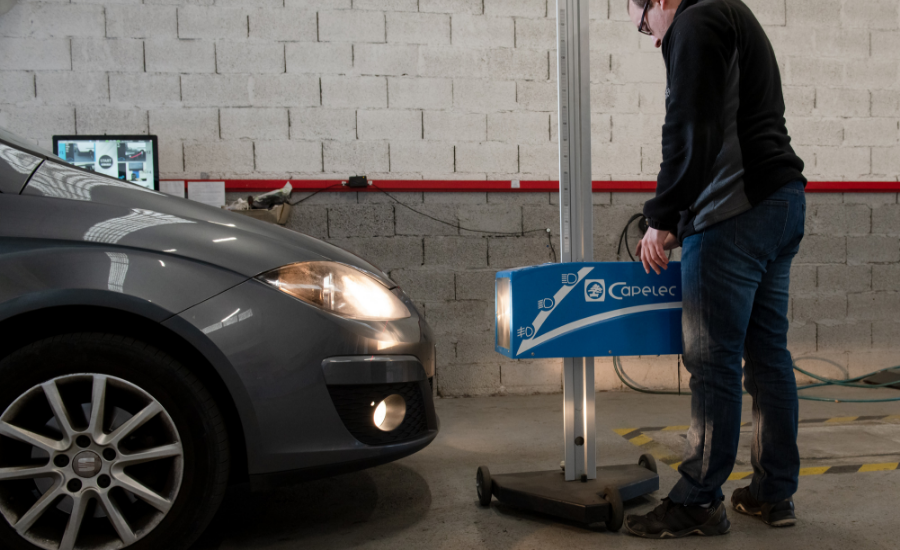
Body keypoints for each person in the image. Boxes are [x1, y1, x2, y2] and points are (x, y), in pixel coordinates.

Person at [624, 0, 808, 539]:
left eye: (644, 24)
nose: (652, 37)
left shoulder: (695, 21)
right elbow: (724, 130)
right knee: (768, 354)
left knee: (712, 361)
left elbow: (688, 129)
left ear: (659, 2)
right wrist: (680, 218)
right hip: (782, 203)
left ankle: (698, 500)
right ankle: (774, 494)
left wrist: (660, 219)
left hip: (736, 215)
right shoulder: (731, 13)